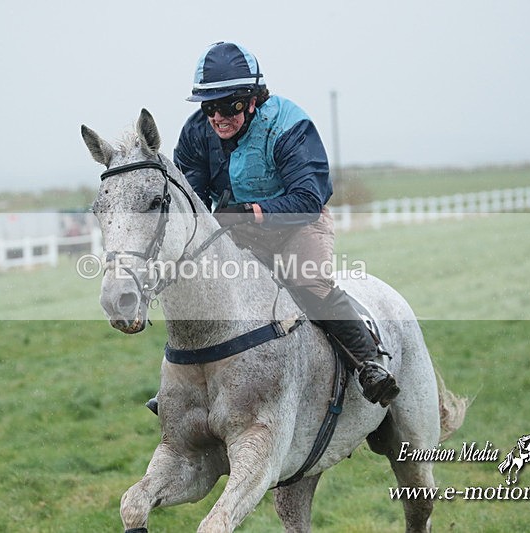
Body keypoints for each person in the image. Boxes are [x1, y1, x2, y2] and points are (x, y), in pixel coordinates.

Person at [149, 41, 398, 413]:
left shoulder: (288, 124)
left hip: (299, 223)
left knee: (306, 280)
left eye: (228, 104)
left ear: (251, 99)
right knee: (201, 285)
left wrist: (250, 211)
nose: (217, 117)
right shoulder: (197, 133)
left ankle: (367, 364)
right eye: (209, 106)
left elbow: (307, 198)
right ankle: (181, 385)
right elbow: (195, 202)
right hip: (239, 227)